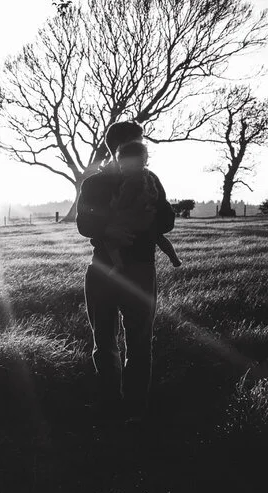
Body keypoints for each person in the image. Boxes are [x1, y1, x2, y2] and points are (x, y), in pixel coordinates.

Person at [76, 121, 176, 428]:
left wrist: (142, 217)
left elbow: (167, 220)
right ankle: (122, 407)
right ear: (120, 147)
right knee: (114, 341)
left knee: (118, 342)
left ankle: (127, 408)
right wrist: (110, 228)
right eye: (138, 142)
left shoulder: (149, 179)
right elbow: (84, 224)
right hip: (113, 269)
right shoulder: (95, 183)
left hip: (120, 268)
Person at [105, 141, 181, 270]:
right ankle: (174, 258)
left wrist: (115, 204)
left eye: (126, 167)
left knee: (111, 242)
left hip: (131, 218)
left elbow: (124, 199)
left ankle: (118, 264)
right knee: (159, 237)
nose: (124, 171)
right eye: (122, 168)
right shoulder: (148, 176)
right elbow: (154, 195)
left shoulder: (131, 181)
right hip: (148, 217)